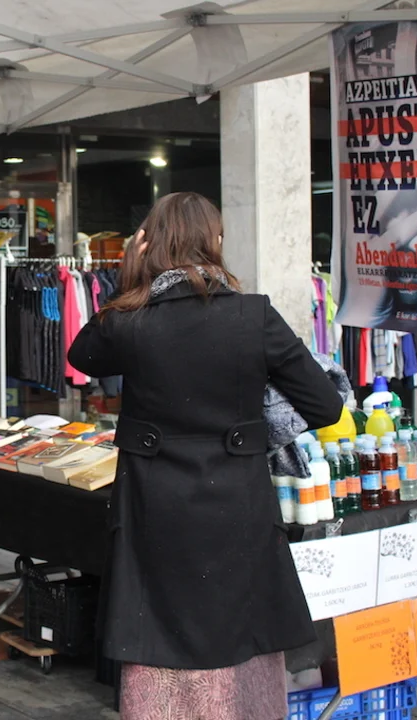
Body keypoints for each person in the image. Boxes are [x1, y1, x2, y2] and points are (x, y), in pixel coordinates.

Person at [68, 193, 342, 720]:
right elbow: (325, 404)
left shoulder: (131, 318)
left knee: (158, 628)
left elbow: (83, 355)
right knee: (239, 629)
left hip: (152, 503)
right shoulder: (252, 315)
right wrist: (256, 432)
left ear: (149, 245)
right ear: (214, 241)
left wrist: (129, 281)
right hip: (238, 498)